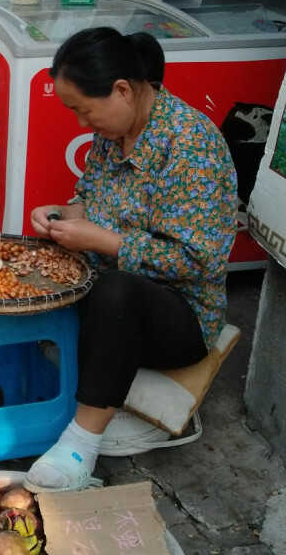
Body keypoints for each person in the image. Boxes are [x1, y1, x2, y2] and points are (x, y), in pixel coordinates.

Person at [24, 26, 237, 493]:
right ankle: (41, 384)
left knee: (115, 290)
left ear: (122, 89)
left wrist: (104, 241)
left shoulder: (190, 144)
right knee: (38, 257)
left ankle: (81, 445)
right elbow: (90, 204)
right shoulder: (114, 131)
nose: (82, 124)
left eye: (85, 109)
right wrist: (59, 216)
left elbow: (198, 260)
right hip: (111, 293)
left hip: (180, 313)